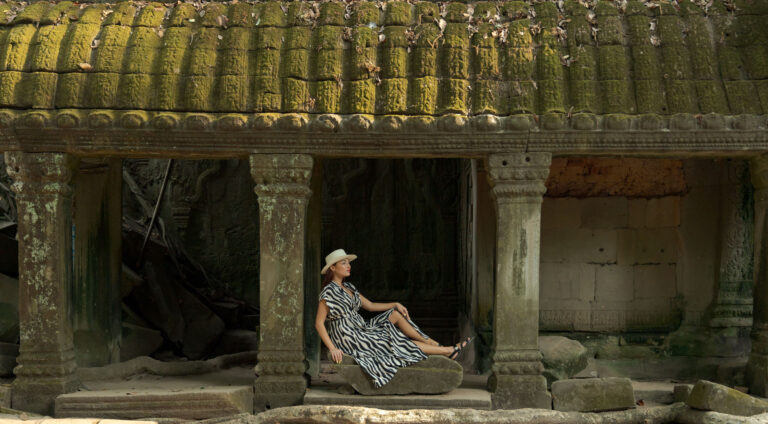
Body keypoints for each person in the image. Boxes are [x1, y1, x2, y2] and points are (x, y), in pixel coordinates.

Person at [314, 248, 472, 388]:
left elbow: (370, 305)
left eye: (348, 262)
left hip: (361, 327)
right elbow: (319, 323)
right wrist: (332, 348)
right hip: (348, 335)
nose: (348, 265)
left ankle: (433, 344)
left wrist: (395, 304)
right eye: (343, 263)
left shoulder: (349, 287)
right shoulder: (328, 292)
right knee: (394, 340)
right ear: (332, 268)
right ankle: (446, 350)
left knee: (394, 314)